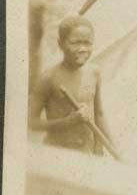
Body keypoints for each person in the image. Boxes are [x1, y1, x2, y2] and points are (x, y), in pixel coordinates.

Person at [28, 16, 113, 156]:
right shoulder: (48, 78)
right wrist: (66, 122)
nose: (82, 49)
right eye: (75, 43)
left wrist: (109, 148)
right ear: (60, 44)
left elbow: (99, 116)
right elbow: (31, 122)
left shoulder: (94, 72)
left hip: (88, 151)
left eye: (88, 43)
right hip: (58, 154)